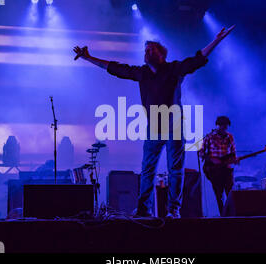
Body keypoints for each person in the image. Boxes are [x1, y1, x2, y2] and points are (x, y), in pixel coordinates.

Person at [74, 26, 235, 218]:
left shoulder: (174, 69)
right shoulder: (142, 73)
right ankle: (144, 209)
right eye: (145, 50)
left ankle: (173, 209)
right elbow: (115, 68)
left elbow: (197, 59)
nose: (147, 52)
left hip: (174, 125)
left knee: (175, 169)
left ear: (162, 54)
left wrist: (217, 40)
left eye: (152, 49)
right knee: (147, 168)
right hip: (154, 127)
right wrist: (88, 57)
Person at [198, 116, 238, 216]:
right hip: (214, 169)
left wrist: (234, 159)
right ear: (217, 125)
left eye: (225, 126)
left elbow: (233, 152)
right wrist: (212, 159)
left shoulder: (230, 137)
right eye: (222, 125)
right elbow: (201, 153)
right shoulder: (209, 137)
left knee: (230, 192)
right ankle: (222, 215)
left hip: (227, 169)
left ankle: (231, 214)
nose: (224, 128)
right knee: (218, 193)